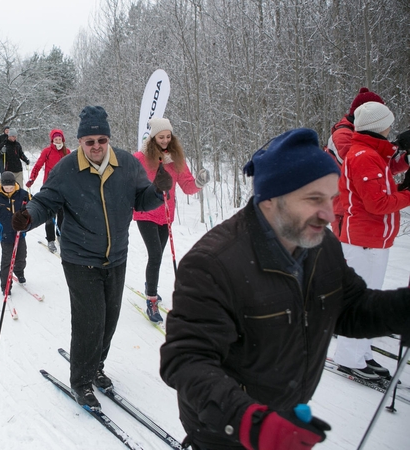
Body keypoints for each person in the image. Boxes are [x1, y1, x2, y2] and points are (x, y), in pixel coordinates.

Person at [159, 128, 410, 450]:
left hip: (288, 417)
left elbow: (351, 308)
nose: (329, 213)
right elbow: (186, 358)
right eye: (313, 199)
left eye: (331, 198)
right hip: (227, 430)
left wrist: (404, 306)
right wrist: (251, 422)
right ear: (270, 199)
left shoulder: (321, 244)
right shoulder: (214, 263)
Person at [11, 106, 172, 409]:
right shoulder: (66, 169)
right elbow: (45, 202)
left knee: (110, 320)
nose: (96, 146)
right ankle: (81, 381)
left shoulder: (126, 163)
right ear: (81, 141)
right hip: (79, 257)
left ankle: (97, 366)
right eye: (89, 141)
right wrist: (28, 217)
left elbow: (142, 200)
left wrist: (158, 189)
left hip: (117, 256)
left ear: (108, 139)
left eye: (101, 140)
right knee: (90, 321)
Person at [332, 102, 410, 381]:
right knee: (361, 302)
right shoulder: (363, 155)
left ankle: (361, 351)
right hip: (363, 239)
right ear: (379, 126)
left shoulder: (372, 153)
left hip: (375, 239)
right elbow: (377, 203)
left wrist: (405, 161)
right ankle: (349, 357)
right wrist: (408, 193)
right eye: (388, 123)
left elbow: (386, 174)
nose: (391, 127)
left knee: (370, 298)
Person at [133, 117, 210, 322]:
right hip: (146, 213)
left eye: (168, 136)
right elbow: (127, 177)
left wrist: (199, 183)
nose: (165, 140)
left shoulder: (176, 159)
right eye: (161, 136)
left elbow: (187, 186)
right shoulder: (141, 157)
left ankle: (150, 287)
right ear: (153, 137)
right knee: (156, 255)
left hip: (166, 215)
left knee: (157, 256)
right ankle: (151, 299)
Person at [323, 87, 409, 237]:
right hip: (345, 207)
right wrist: (396, 146)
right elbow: (364, 167)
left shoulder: (365, 135)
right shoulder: (342, 135)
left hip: (360, 204)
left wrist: (405, 159)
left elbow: (382, 167)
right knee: (348, 256)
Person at [26, 129, 70, 253]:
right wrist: (31, 179)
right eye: (55, 139)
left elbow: (72, 168)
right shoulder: (47, 151)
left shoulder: (67, 152)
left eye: (59, 139)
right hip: (49, 187)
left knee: (62, 214)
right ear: (52, 140)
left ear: (63, 140)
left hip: (63, 187)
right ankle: (50, 239)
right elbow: (38, 166)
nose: (58, 141)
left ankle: (60, 235)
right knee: (50, 215)